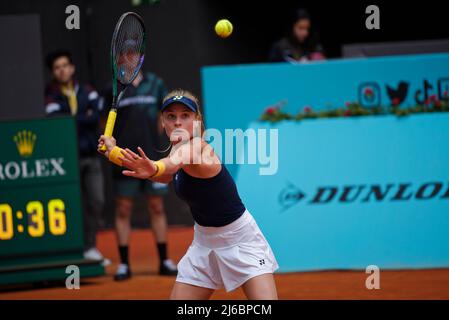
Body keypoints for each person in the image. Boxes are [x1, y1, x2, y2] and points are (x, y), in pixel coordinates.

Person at [98, 89, 279, 299]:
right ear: (162, 122)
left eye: (185, 115)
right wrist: (113, 152)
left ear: (197, 121)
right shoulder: (175, 150)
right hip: (204, 243)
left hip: (241, 241)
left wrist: (155, 167)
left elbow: (169, 166)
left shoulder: (198, 147)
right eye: (171, 116)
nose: (177, 122)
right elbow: (165, 176)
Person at [102, 69, 178, 280]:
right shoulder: (114, 87)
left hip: (151, 158)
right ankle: (124, 265)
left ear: (140, 55)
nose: (128, 56)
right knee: (124, 210)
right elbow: (104, 122)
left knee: (156, 206)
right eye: (124, 53)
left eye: (133, 51)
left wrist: (152, 143)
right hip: (122, 158)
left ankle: (164, 260)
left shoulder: (156, 83)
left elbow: (162, 119)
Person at [44, 50, 109, 265]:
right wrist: (85, 117)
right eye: (57, 67)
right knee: (72, 204)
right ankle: (74, 248)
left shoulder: (87, 90)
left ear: (72, 68)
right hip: (66, 160)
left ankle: (90, 247)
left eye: (65, 65)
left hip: (90, 156)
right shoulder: (50, 94)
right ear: (53, 72)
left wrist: (74, 119)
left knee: (96, 201)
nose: (62, 70)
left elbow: (96, 114)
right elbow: (57, 122)